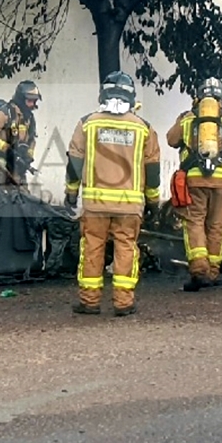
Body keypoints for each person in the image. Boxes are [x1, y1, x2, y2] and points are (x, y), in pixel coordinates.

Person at [64, 71, 161, 316]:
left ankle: (89, 301)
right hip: (129, 206)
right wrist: (153, 201)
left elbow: (75, 162)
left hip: (95, 205)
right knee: (126, 248)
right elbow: (153, 168)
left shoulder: (87, 123)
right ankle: (124, 302)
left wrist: (71, 194)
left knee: (92, 248)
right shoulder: (144, 128)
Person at [166, 77, 222, 292]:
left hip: (194, 179)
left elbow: (171, 139)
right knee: (217, 225)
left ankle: (199, 271)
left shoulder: (187, 118)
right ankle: (213, 272)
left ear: (197, 96)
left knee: (194, 222)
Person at [0, 80, 40, 184]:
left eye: (35, 101)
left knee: (23, 197)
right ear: (21, 99)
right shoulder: (4, 113)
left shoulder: (29, 119)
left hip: (16, 167)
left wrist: (27, 157)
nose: (33, 104)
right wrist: (6, 149)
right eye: (30, 100)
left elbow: (31, 140)